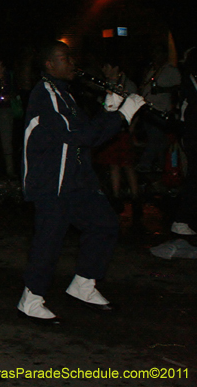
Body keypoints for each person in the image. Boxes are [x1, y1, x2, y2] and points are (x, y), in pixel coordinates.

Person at [16, 41, 144, 322]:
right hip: (51, 183)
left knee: (105, 224)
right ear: (49, 65)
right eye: (65, 59)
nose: (72, 64)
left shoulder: (64, 93)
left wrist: (109, 109)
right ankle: (31, 298)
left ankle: (83, 285)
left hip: (74, 181)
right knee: (49, 240)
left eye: (72, 58)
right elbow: (81, 137)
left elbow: (85, 131)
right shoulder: (44, 95)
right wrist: (122, 116)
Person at [93, 58, 140, 214]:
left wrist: (131, 130)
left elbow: (135, 106)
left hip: (122, 130)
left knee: (127, 164)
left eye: (106, 66)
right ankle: (116, 197)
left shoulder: (127, 84)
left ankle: (135, 199)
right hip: (112, 130)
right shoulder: (106, 83)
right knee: (113, 163)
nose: (104, 70)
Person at [137, 45, 180, 172]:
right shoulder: (152, 69)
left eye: (157, 54)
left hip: (160, 110)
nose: (155, 56)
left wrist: (163, 90)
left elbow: (179, 87)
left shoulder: (170, 70)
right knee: (157, 140)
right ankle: (163, 167)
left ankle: (145, 165)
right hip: (147, 108)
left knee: (155, 139)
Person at [171, 48, 197, 236]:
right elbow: (186, 113)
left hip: (190, 134)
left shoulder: (189, 80)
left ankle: (184, 218)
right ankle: (181, 219)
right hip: (192, 135)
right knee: (194, 176)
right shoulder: (190, 81)